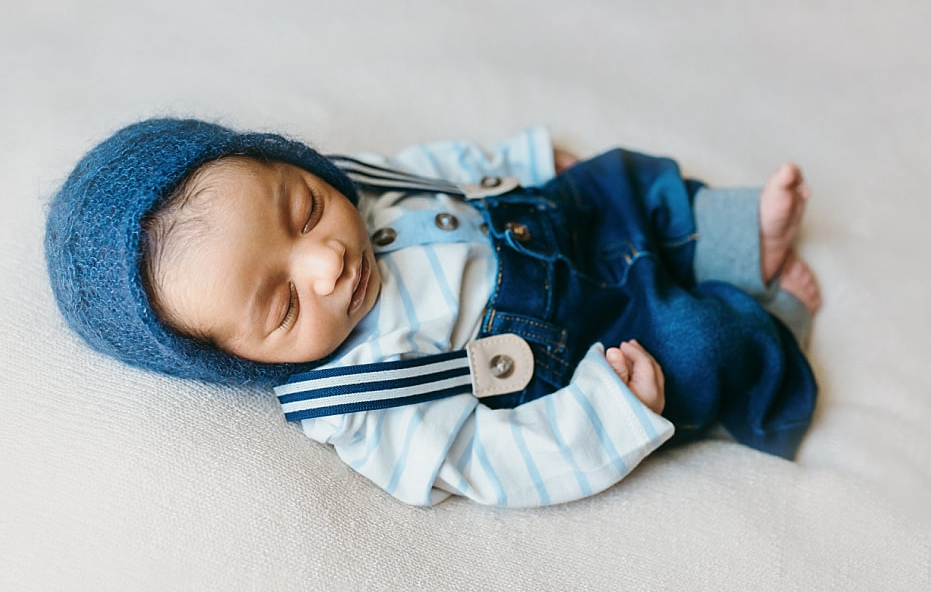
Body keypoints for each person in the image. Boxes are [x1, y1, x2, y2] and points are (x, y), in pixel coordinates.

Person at [45, 118, 821, 507]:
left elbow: (430, 175)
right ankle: (763, 317)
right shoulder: (358, 404)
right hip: (595, 347)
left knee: (624, 180)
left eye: (303, 206)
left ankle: (734, 237)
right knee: (699, 345)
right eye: (282, 304)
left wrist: (515, 162)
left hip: (553, 224)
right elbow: (491, 463)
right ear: (238, 361)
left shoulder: (355, 184)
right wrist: (607, 415)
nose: (326, 261)